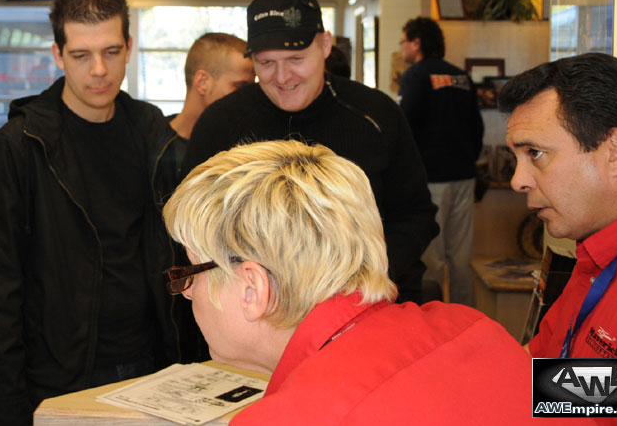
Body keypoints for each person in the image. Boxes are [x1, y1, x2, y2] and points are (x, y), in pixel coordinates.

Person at [163, 139, 537, 424]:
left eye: (191, 271)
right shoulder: (474, 326)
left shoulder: (291, 417)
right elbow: (586, 400)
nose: (189, 290)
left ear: (253, 289)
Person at [0, 0, 181, 426]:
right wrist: (9, 413)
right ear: (58, 55)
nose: (99, 70)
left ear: (129, 47)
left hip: (154, 362)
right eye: (82, 55)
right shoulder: (21, 144)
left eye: (110, 51)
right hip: (59, 374)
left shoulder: (152, 132)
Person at [182, 0, 438, 302]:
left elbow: (416, 215)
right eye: (266, 63)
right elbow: (195, 228)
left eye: (296, 58)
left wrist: (368, 277)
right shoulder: (220, 124)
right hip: (259, 307)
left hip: (366, 299)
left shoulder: (376, 114)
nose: (282, 76)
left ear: (325, 46)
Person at [500, 54, 617, 378]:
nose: (518, 181)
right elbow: (550, 373)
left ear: (616, 150)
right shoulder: (599, 248)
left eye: (535, 154)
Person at [399, 16, 483, 305]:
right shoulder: (461, 76)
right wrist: (469, 160)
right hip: (464, 174)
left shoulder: (414, 76)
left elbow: (404, 127)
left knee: (432, 255)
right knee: (461, 255)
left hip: (431, 178)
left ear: (416, 42)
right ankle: (463, 319)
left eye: (404, 41)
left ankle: (434, 322)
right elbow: (477, 127)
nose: (402, 48)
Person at [167, 32, 254, 174]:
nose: (248, 96)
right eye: (239, 87)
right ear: (202, 82)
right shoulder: (150, 144)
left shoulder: (245, 148)